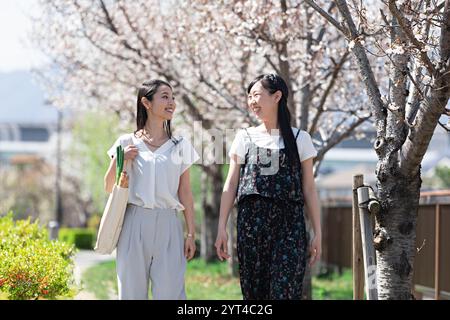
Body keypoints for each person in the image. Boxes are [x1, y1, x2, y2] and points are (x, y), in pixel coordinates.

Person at [215, 74, 322, 300]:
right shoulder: (244, 137)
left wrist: (317, 232)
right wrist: (221, 227)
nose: (251, 101)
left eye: (256, 95)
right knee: (255, 295)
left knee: (285, 292)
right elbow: (231, 183)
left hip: (289, 226)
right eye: (249, 97)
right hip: (251, 226)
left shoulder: (300, 138)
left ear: (277, 97)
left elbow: (310, 189)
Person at [104, 79, 199, 300]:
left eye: (172, 97)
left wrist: (191, 234)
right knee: (131, 293)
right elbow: (108, 187)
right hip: (134, 222)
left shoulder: (180, 145)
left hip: (169, 224)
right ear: (146, 102)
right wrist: (120, 159)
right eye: (165, 96)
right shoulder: (126, 141)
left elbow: (186, 192)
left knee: (171, 294)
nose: (172, 102)